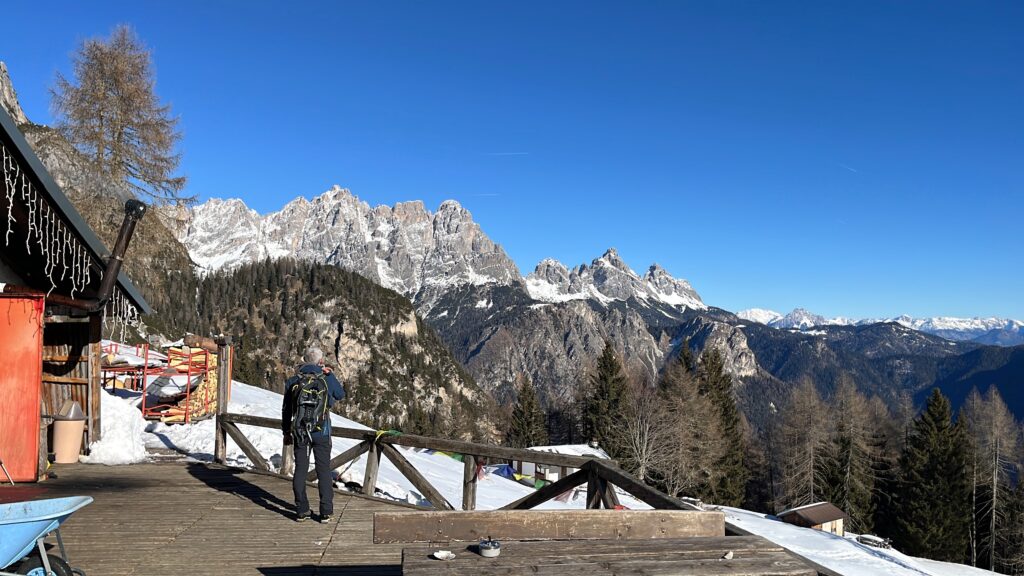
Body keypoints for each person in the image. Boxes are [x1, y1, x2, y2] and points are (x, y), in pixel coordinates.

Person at [282, 347, 345, 523]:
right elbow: (340, 395)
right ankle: (326, 511)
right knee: (323, 470)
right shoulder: (325, 378)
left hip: (300, 431)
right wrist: (330, 375)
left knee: (300, 469)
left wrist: (286, 432)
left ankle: (302, 510)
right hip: (321, 431)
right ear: (320, 362)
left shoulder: (294, 381)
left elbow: (287, 410)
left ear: (304, 361)